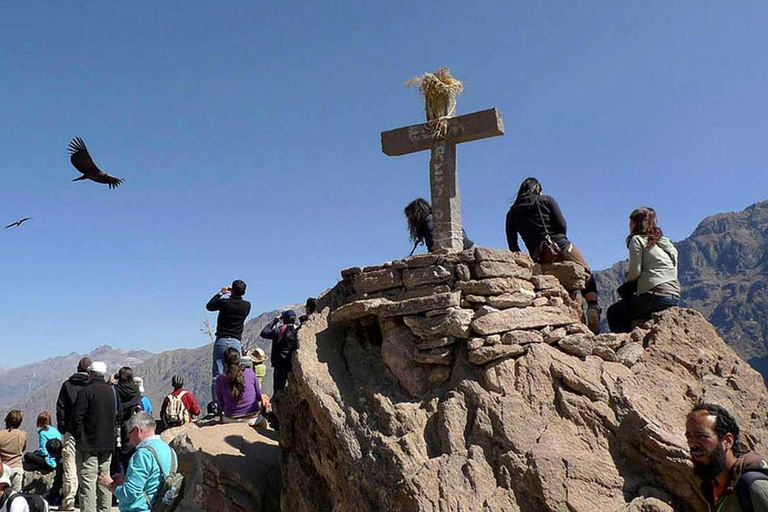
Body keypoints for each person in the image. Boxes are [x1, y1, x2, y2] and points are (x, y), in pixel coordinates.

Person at [505, 177, 601, 334]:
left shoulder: (512, 213)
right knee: (586, 274)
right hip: (561, 246)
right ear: (537, 189)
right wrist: (560, 242)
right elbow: (561, 224)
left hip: (540, 256)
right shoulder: (547, 200)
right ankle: (592, 305)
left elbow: (513, 245)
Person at [606, 207, 680, 333]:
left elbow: (635, 272)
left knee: (615, 312)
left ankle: (623, 343)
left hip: (655, 297)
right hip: (674, 296)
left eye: (630, 222)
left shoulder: (637, 240)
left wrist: (628, 276)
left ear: (635, 223)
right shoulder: (665, 243)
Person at [686, 403, 768, 511]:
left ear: (727, 441)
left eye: (701, 436)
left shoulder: (753, 485)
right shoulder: (712, 489)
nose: (692, 444)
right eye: (689, 437)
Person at [97, 412, 178, 512]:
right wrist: (125, 481)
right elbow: (151, 483)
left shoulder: (143, 455)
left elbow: (129, 494)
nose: (130, 440)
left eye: (129, 434)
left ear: (137, 430)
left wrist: (110, 484)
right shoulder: (170, 451)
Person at [72, 361, 119, 512]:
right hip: (107, 444)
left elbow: (76, 418)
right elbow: (119, 416)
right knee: (105, 481)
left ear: (90, 375)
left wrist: (79, 437)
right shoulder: (112, 392)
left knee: (88, 482)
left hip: (88, 445)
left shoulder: (86, 392)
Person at [206, 280, 251, 407]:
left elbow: (209, 306)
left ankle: (218, 405)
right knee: (236, 372)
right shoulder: (246, 305)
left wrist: (221, 293)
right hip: (236, 342)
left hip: (222, 340)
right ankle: (235, 401)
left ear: (232, 290)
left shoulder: (224, 303)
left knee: (218, 374)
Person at [55, 356, 91, 511]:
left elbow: (61, 407)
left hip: (70, 432)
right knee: (87, 467)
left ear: (77, 368)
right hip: (89, 433)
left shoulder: (67, 385)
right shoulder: (92, 387)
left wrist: (63, 427)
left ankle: (69, 503)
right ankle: (87, 502)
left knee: (70, 468)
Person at [215, 348, 270, 427]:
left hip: (230, 419)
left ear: (224, 362)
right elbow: (258, 397)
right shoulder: (250, 373)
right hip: (252, 419)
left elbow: (222, 404)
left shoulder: (220, 379)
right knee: (266, 425)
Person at [404, 198, 474, 255]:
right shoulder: (435, 219)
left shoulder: (430, 222)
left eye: (409, 216)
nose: (409, 220)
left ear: (416, 213)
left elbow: (433, 247)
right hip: (469, 249)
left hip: (467, 251)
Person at [260, 310, 300, 394]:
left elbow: (264, 333)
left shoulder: (279, 330)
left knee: (278, 390)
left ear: (284, 319)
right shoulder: (298, 330)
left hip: (280, 365)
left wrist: (274, 321)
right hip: (292, 364)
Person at [0, 411, 27, 493]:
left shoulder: (1, 434)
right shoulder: (23, 434)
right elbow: (23, 448)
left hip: (2, 469)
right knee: (16, 497)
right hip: (17, 468)